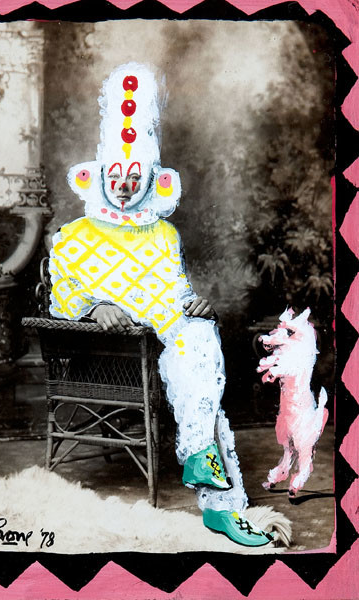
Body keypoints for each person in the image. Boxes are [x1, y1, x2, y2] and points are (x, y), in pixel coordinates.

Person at [49, 63, 273, 546]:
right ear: (101, 176)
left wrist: (194, 304)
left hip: (160, 346)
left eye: (135, 177)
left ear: (151, 179)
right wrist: (93, 307)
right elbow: (61, 295)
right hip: (108, 354)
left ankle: (205, 469)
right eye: (116, 176)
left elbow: (173, 291)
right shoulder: (74, 236)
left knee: (200, 337)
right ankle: (218, 496)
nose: (124, 186)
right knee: (195, 360)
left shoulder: (164, 233)